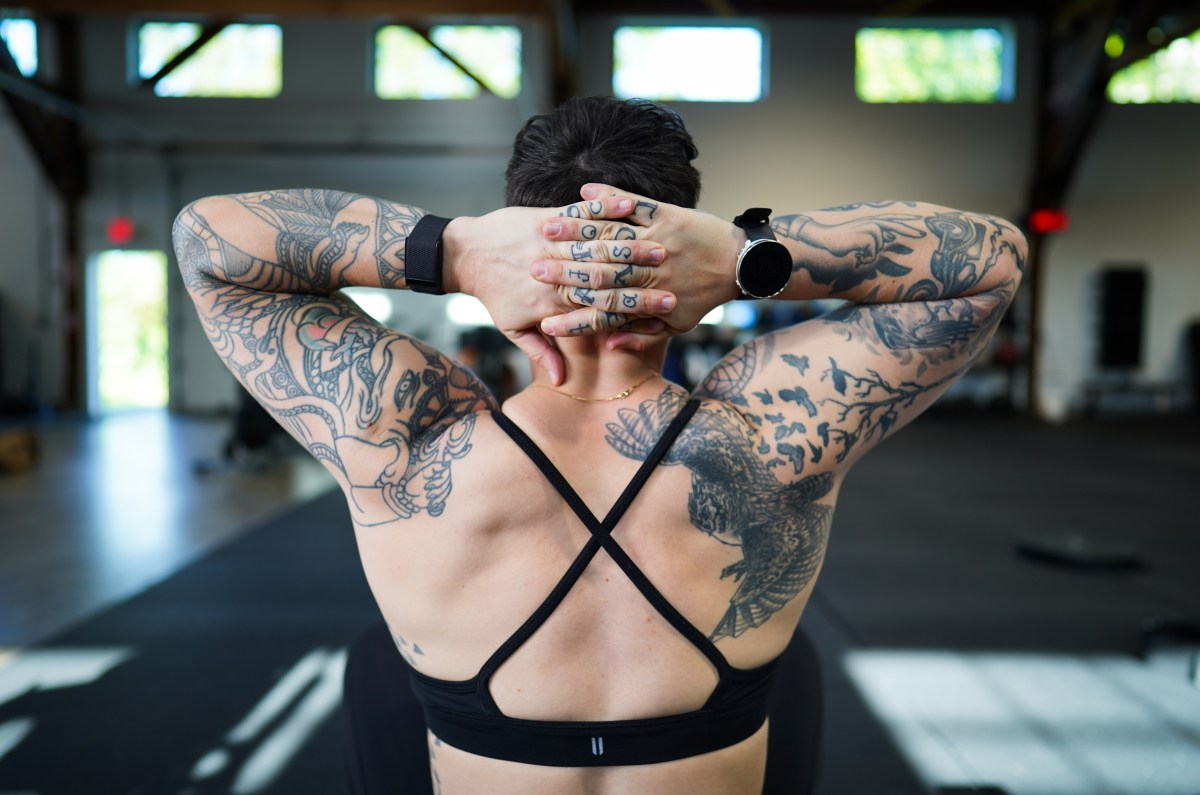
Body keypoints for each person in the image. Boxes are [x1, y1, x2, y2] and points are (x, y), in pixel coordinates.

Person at [173, 96, 1025, 794]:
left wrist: (455, 251)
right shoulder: (771, 430)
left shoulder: (415, 436)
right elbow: (992, 260)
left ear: (516, 229)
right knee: (794, 669)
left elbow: (209, 243)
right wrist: (746, 255)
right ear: (681, 229)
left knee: (372, 672)